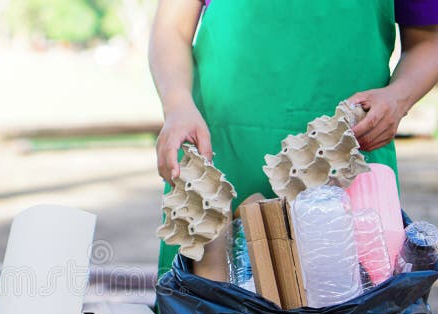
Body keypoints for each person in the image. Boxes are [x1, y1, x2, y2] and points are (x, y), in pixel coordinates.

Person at [150, 0, 438, 276]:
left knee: (349, 294)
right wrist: (177, 105)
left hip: (347, 164)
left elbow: (428, 40)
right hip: (219, 161)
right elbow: (171, 27)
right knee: (204, 300)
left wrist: (398, 98)